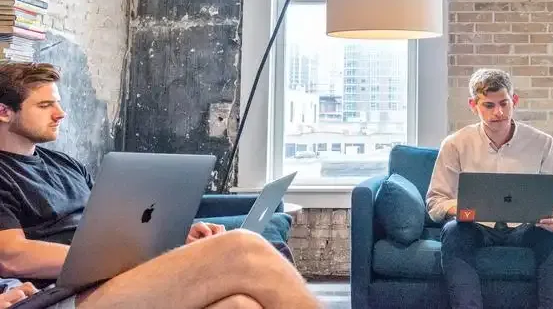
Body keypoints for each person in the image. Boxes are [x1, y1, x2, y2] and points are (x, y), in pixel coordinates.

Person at [0, 61, 321, 309]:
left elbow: (111, 225)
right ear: (4, 112)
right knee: (242, 248)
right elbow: (13, 256)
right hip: (60, 294)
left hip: (110, 277)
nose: (60, 113)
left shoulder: (64, 164)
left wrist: (173, 236)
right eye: (44, 106)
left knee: (240, 304)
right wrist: (115, 256)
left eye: (57, 103)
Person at [426, 68, 553, 309]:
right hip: (475, 226)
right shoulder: (455, 144)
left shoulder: (542, 143)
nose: (499, 112)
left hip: (527, 227)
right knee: (453, 232)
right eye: (489, 105)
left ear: (514, 100)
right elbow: (435, 203)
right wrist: (462, 208)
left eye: (504, 103)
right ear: (473, 105)